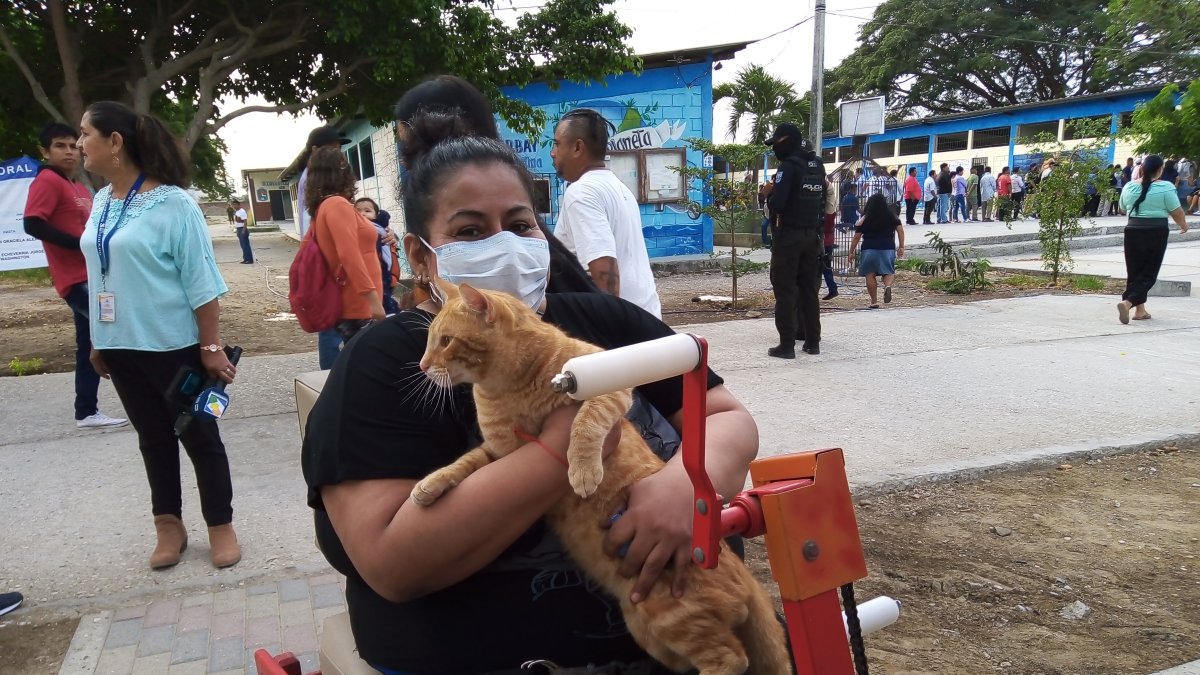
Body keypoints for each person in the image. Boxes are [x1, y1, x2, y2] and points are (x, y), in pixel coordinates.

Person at [301, 107, 760, 674]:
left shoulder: (605, 322)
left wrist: (684, 483)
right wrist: (561, 446)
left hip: (682, 636)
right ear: (423, 257)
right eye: (469, 231)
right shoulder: (388, 363)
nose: (505, 245)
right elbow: (391, 563)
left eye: (520, 226)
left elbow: (728, 418)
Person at [77, 101, 239, 570]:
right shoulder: (103, 202)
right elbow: (99, 273)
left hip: (173, 346)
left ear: (115, 142)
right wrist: (97, 339)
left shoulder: (174, 203)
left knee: (199, 434)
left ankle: (220, 525)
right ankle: (169, 525)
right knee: (152, 438)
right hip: (119, 346)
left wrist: (210, 346)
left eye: (86, 134)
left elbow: (202, 281)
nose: (80, 143)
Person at [22, 122, 128, 430]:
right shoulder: (47, 181)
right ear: (45, 151)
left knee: (89, 345)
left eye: (73, 145)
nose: (69, 151)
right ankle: (150, 402)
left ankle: (86, 411)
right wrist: (79, 246)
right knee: (118, 334)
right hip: (78, 282)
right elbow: (33, 223)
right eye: (59, 146)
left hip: (97, 279)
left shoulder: (78, 186)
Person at [550, 107, 662, 318]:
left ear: (577, 147)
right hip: (645, 318)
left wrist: (606, 338)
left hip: (623, 333)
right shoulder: (620, 189)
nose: (552, 152)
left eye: (556, 144)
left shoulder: (581, 193)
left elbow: (605, 277)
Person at [307, 147, 386, 344]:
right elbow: (349, 255)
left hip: (354, 301)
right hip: (357, 303)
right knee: (367, 363)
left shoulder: (325, 206)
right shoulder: (337, 205)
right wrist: (373, 301)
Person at [765, 123, 826, 358]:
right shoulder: (817, 165)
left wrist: (768, 195)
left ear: (786, 141)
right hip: (812, 236)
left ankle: (787, 345)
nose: (774, 150)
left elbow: (778, 204)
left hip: (789, 237)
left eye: (776, 144)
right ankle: (813, 342)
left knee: (786, 290)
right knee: (809, 290)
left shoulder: (788, 167)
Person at [296, 126, 352, 370]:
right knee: (332, 323)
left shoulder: (312, 178)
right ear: (316, 149)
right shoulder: (316, 179)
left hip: (322, 255)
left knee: (334, 322)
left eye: (339, 150)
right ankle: (331, 379)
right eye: (333, 149)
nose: (338, 155)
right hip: (326, 257)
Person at [1116, 154, 1190, 324]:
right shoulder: (1166, 187)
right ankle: (1127, 302)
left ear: (1141, 169)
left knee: (1135, 272)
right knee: (1149, 273)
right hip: (1155, 231)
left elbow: (1121, 208)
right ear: (1160, 170)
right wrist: (1184, 226)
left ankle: (1140, 311)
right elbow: (1176, 211)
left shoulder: (1128, 187)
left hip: (1132, 230)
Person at [848, 193, 905, 309]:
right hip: (887, 247)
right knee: (888, 271)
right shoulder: (892, 216)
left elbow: (856, 236)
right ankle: (887, 286)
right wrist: (901, 246)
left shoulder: (866, 218)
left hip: (869, 248)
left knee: (870, 274)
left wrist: (851, 251)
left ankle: (874, 301)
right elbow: (900, 231)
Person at [355, 197, 400, 315]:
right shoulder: (354, 228)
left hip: (384, 272)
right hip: (372, 275)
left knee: (384, 298)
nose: (362, 214)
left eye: (367, 211)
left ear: (376, 215)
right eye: (358, 211)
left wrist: (394, 236)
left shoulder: (381, 229)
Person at [821, 178, 839, 300]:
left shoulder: (825, 213)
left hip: (823, 241)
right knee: (826, 267)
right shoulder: (831, 211)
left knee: (824, 267)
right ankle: (832, 288)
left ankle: (833, 288)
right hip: (828, 240)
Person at [231, 198, 253, 264]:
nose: (234, 206)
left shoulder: (242, 211)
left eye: (235, 205)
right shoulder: (237, 212)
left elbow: (245, 222)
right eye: (233, 205)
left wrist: (243, 230)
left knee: (245, 245)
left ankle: (249, 259)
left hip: (242, 229)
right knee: (242, 245)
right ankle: (245, 258)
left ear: (239, 205)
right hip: (238, 229)